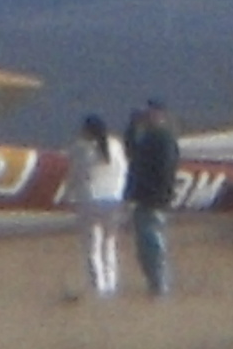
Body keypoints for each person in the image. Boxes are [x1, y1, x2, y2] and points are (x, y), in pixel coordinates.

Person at [64, 114, 128, 296]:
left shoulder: (81, 148)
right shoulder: (115, 145)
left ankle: (98, 286)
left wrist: (68, 194)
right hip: (114, 198)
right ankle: (111, 284)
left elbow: (75, 174)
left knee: (93, 246)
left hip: (90, 199)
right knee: (109, 243)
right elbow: (124, 170)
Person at [123, 99, 180, 296]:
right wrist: (132, 126)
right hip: (143, 198)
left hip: (154, 198)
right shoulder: (148, 137)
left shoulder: (164, 137)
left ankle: (160, 284)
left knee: (152, 241)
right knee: (144, 246)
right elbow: (131, 152)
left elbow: (166, 168)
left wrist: (161, 192)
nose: (147, 116)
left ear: (160, 114)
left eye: (150, 113)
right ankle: (155, 283)